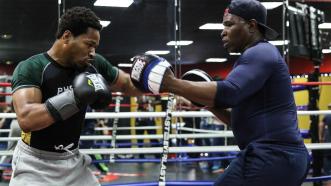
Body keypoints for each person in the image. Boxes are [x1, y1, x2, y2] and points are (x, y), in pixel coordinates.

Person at [129, 0, 310, 185]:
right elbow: (237, 120)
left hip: (274, 156)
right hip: (278, 157)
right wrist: (207, 102)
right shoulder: (255, 57)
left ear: (251, 25)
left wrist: (171, 83)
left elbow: (230, 92)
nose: (222, 31)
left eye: (229, 24)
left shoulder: (261, 52)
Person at [10, 6, 141, 186]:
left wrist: (158, 80)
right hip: (35, 163)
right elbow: (27, 119)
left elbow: (126, 84)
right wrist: (76, 97)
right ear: (67, 36)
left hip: (73, 159)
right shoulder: (32, 67)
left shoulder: (93, 64)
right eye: (89, 44)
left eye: (95, 47)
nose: (92, 52)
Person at [319, 104, 331, 185]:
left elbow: (321, 125)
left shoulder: (327, 115)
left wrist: (320, 137)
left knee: (327, 167)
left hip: (328, 143)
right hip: (328, 142)